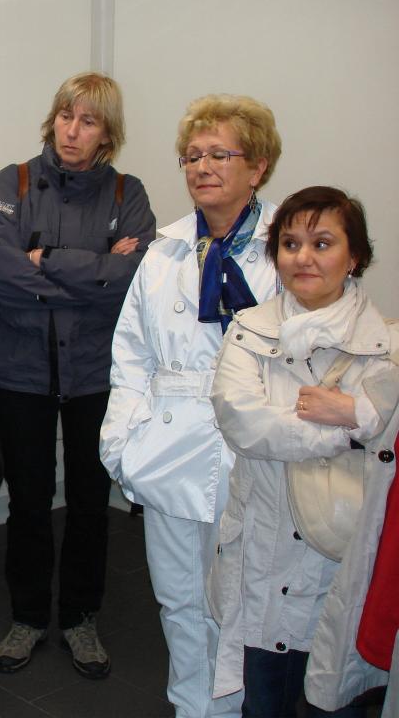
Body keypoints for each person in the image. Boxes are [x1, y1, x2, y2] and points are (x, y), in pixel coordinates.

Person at [100, 94, 283, 717]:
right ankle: (192, 708)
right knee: (179, 599)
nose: (202, 167)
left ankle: (237, 709)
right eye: (192, 156)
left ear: (257, 166)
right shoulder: (165, 250)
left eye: (219, 155)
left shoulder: (288, 246)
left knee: (242, 602)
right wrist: (121, 445)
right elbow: (131, 356)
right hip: (168, 446)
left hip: (254, 450)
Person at [0, 71, 156, 678]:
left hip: (96, 374)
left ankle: (80, 617)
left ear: (108, 133)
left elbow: (133, 283)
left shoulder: (128, 194)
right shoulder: (12, 183)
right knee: (28, 502)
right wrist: (94, 272)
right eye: (65, 116)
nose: (72, 131)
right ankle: (28, 617)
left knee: (88, 503)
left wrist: (48, 260)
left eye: (88, 121)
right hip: (18, 371)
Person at [208, 187, 398, 717]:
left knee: (336, 699)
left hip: (342, 554)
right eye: (290, 244)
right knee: (264, 700)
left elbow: (390, 435)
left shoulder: (387, 345)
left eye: (322, 243)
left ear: (354, 256)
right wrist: (350, 428)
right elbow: (244, 424)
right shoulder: (249, 330)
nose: (304, 257)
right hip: (263, 553)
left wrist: (359, 416)